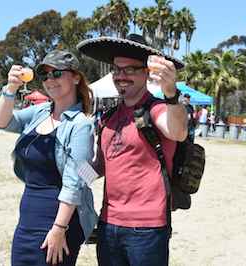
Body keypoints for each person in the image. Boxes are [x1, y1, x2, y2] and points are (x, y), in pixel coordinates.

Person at [77, 34, 188, 265]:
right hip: (107, 223)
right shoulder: (108, 118)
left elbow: (178, 133)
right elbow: (100, 166)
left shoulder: (156, 108)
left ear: (147, 73)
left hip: (146, 227)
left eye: (129, 70)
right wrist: (72, 176)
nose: (120, 76)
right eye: (116, 70)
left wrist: (172, 95)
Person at [0, 50, 98, 266]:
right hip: (28, 219)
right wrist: (11, 88)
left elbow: (75, 183)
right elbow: (3, 122)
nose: (50, 79)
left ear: (76, 77)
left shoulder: (81, 125)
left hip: (59, 222)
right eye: (45, 75)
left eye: (57, 73)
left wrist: (59, 230)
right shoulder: (41, 111)